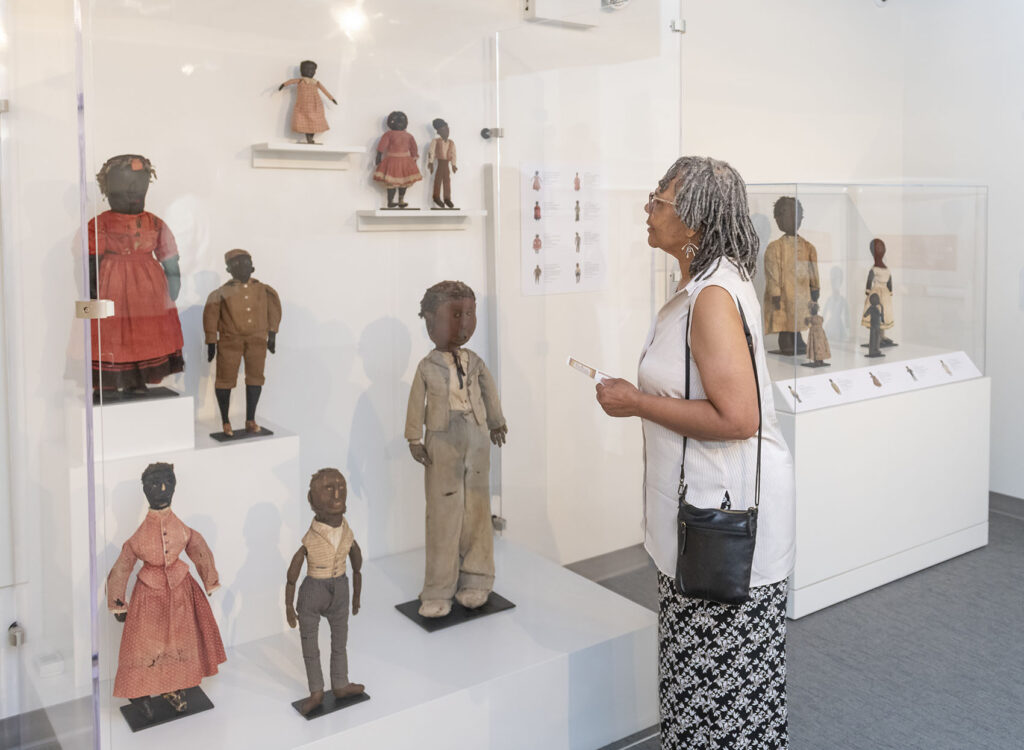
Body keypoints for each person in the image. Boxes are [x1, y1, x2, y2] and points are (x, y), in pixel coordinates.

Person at [596, 156, 795, 749]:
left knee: (725, 703)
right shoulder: (703, 288)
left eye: (660, 201)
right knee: (698, 695)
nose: (649, 209)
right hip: (702, 516)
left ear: (697, 224)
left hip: (721, 523)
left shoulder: (711, 298)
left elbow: (738, 418)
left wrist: (636, 402)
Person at [405, 281, 507, 618]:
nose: (464, 323)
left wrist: (496, 422)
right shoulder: (426, 367)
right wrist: (413, 439)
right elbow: (414, 404)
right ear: (430, 321)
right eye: (455, 314)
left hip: (477, 438)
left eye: (470, 314)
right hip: (442, 439)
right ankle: (438, 587)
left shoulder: (475, 362)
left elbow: (489, 392)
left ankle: (477, 577)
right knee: (443, 512)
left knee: (477, 508)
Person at [106, 463, 226, 721]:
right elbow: (122, 565)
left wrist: (210, 579)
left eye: (166, 483)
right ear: (144, 490)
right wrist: (118, 601)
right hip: (149, 597)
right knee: (144, 646)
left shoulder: (182, 529)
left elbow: (199, 548)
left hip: (182, 592)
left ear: (174, 486)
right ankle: (139, 692)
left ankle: (173, 688)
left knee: (181, 641)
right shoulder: (138, 537)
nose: (161, 489)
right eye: (153, 484)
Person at [90, 154, 184, 392]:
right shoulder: (100, 224)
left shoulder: (154, 223)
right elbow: (90, 263)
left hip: (149, 295)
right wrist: (90, 301)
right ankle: (107, 384)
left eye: (138, 192)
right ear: (108, 192)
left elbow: (170, 259)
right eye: (122, 192)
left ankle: (136, 381)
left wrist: (173, 289)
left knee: (146, 334)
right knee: (108, 334)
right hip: (109, 291)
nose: (132, 197)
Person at [286, 468, 365, 715]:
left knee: (340, 642)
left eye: (341, 487)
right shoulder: (310, 538)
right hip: (313, 591)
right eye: (328, 488)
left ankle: (340, 684)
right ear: (312, 500)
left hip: (341, 589)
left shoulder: (347, 533)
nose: (337, 493)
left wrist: (356, 596)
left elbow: (357, 565)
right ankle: (316, 691)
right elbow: (292, 574)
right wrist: (289, 605)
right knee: (311, 647)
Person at [203, 249, 282, 436]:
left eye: (246, 262)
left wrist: (272, 334)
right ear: (228, 269)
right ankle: (225, 421)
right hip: (230, 341)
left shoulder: (264, 290)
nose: (242, 267)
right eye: (236, 264)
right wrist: (211, 342)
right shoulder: (221, 293)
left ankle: (250, 419)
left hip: (257, 340)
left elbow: (274, 311)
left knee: (255, 377)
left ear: (252, 265)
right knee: (225, 378)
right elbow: (211, 317)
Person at [277, 60, 337, 144]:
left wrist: (332, 99)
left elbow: (325, 91)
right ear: (301, 70)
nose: (309, 71)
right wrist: (283, 85)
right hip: (303, 106)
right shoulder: (300, 81)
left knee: (315, 121)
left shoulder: (316, 82)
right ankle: (308, 137)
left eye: (312, 70)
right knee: (303, 121)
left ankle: (310, 138)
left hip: (315, 105)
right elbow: (290, 81)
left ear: (315, 72)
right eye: (306, 69)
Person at [427, 118, 458, 209]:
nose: (447, 131)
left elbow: (453, 154)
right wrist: (431, 162)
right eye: (444, 130)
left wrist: (453, 164)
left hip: (446, 164)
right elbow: (431, 152)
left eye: (447, 129)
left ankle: (447, 198)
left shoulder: (451, 143)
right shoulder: (435, 141)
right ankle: (436, 196)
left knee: (447, 181)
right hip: (440, 164)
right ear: (439, 132)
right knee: (438, 180)